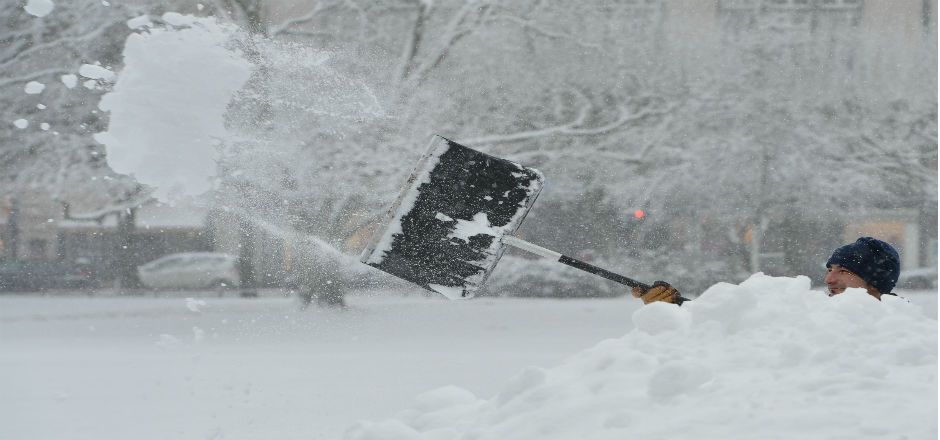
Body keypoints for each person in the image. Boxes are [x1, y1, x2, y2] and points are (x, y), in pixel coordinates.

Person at [632, 236, 901, 304]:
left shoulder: (906, 337)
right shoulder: (815, 315)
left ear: (873, 279)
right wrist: (678, 306)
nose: (829, 278)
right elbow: (748, 336)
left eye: (843, 271)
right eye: (830, 269)